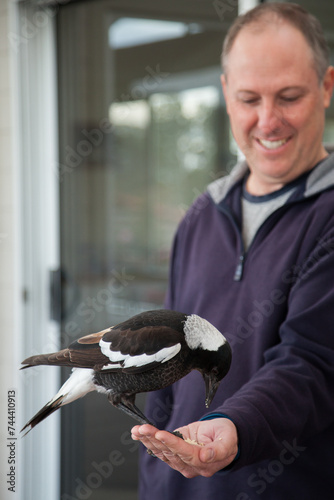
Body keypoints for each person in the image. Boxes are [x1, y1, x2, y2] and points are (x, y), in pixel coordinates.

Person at [131, 3, 334, 499]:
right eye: (249, 99)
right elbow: (168, 341)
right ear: (225, 94)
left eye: (289, 96)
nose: (268, 121)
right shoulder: (202, 214)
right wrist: (155, 465)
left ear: (328, 87)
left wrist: (231, 425)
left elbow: (311, 362)